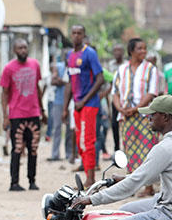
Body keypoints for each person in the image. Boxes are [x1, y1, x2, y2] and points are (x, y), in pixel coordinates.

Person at [111, 38, 159, 198]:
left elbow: (151, 92)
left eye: (145, 48)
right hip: (126, 117)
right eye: (140, 49)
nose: (143, 52)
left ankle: (148, 186)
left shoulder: (150, 69)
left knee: (147, 150)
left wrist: (135, 108)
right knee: (130, 151)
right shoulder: (121, 70)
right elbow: (115, 93)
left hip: (145, 115)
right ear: (131, 51)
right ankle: (131, 186)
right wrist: (121, 108)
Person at [0, 39, 47, 191]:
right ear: (14, 50)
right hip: (17, 114)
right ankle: (14, 182)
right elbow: (4, 93)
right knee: (17, 149)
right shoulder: (8, 68)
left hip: (33, 113)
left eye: (25, 47)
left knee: (33, 149)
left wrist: (42, 110)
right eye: (20, 48)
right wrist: (5, 117)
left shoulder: (35, 64)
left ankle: (32, 181)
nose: (23, 50)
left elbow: (38, 89)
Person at [62, 25, 104, 186]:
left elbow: (100, 79)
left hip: (89, 105)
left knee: (88, 141)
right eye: (73, 33)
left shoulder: (90, 53)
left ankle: (91, 179)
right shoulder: (70, 55)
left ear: (84, 35)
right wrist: (65, 107)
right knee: (80, 142)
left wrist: (83, 101)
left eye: (79, 33)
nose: (76, 36)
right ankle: (88, 175)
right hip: (77, 106)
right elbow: (69, 83)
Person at [48, 55, 68, 161]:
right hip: (58, 101)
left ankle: (69, 154)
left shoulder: (75, 67)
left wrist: (61, 81)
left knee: (71, 129)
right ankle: (55, 154)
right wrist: (65, 82)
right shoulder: (59, 66)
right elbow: (53, 81)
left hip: (72, 102)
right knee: (57, 128)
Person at [107, 44, 125, 153]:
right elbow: (110, 81)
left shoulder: (126, 65)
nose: (117, 53)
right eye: (115, 51)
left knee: (124, 123)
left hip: (124, 98)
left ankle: (126, 147)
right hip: (114, 98)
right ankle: (116, 148)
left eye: (119, 50)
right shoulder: (110, 65)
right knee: (114, 124)